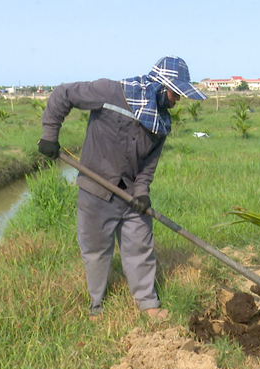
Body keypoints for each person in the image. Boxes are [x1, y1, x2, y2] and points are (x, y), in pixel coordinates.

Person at [38, 56, 207, 320]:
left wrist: (142, 191)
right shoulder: (111, 92)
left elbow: (148, 165)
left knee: (140, 246)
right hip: (96, 190)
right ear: (162, 86)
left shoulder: (162, 123)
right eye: (177, 93)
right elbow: (64, 94)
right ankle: (96, 306)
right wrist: (50, 135)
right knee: (95, 251)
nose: (178, 101)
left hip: (130, 196)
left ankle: (148, 303)